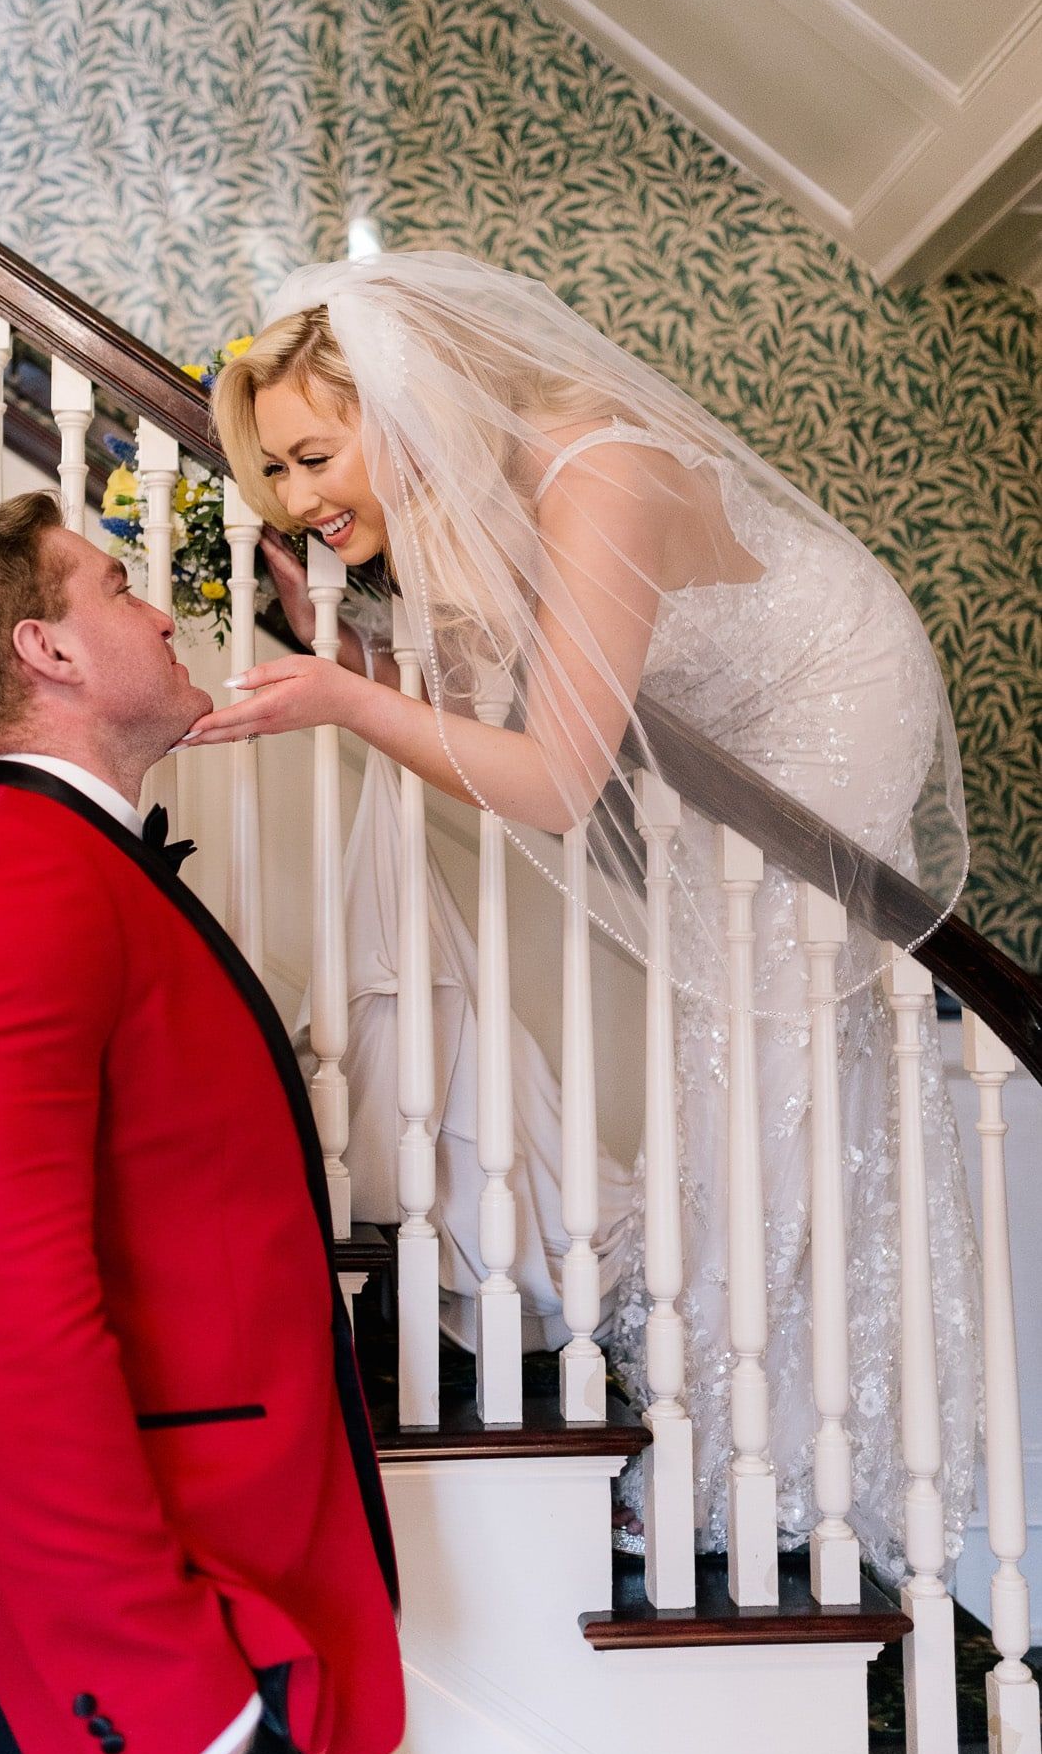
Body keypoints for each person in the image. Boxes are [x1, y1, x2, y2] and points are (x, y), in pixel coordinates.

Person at [184, 248, 982, 1580]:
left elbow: (552, 782)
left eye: (315, 457)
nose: (295, 496)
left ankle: (744, 1457)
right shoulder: (493, 490)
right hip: (734, 726)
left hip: (828, 695)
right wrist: (367, 668)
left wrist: (346, 700)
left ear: (401, 404)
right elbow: (518, 711)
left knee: (768, 1060)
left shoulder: (590, 475)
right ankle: (751, 1422)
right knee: (734, 1062)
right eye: (278, 472)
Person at [0, 492, 403, 1754]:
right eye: (117, 586)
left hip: (266, 1655)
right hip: (137, 1708)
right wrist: (165, 1695)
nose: (160, 608)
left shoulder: (77, 869)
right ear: (51, 654)